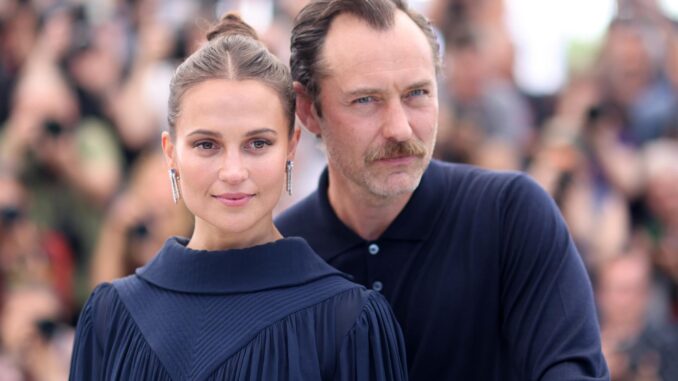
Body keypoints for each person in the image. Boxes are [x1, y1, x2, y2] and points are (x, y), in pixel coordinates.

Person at [275, 0, 609, 379]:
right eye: (366, 100)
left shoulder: (510, 216)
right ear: (307, 110)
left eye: (417, 93)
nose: (399, 128)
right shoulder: (280, 257)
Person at [69, 13, 407, 380]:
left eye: (258, 143)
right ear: (170, 153)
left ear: (291, 148)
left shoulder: (349, 319)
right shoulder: (111, 315)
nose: (233, 172)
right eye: (207, 144)